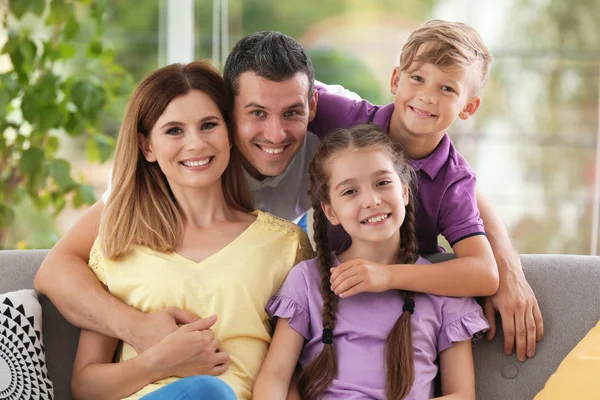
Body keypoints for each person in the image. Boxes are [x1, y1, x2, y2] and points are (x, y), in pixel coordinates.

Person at [35, 29, 539, 364]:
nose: (275, 134)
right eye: (254, 113)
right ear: (225, 107)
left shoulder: (343, 128)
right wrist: (139, 330)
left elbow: (448, 175)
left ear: (313, 104)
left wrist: (507, 270)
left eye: (292, 113)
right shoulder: (187, 155)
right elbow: (59, 268)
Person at [69, 61, 313, 400]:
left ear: (229, 133)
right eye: (174, 131)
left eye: (208, 125)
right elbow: (85, 387)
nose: (195, 143)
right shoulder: (118, 242)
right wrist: (157, 363)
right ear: (147, 147)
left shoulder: (285, 245)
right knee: (208, 391)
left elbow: (297, 375)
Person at [308, 20, 543, 362]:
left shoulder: (453, 181)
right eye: (417, 78)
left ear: (469, 107)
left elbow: (484, 272)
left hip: (398, 313)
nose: (427, 96)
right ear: (395, 80)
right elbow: (276, 87)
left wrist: (385, 276)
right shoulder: (345, 117)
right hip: (328, 300)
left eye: (447, 89)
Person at [254, 125, 488, 399]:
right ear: (330, 211)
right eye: (350, 191)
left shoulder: (446, 287)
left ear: (404, 192)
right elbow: (275, 376)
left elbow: (462, 395)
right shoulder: (307, 280)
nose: (371, 200)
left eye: (382, 183)